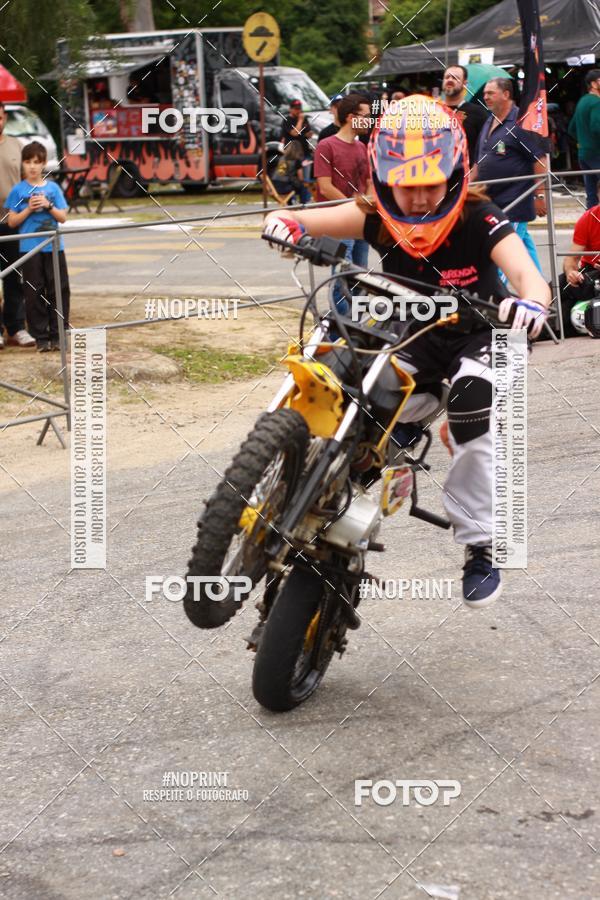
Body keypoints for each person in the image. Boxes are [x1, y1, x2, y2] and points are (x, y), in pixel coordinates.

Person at [263, 95, 551, 607]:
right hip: (415, 337)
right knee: (351, 387)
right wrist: (286, 223)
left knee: (471, 411)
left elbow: (528, 274)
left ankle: (481, 545)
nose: (417, 198)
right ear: (385, 179)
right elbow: (310, 218)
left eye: (429, 185)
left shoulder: (478, 217)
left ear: (455, 175)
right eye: (406, 186)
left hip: (486, 334)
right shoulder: (375, 216)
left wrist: (531, 303)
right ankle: (319, 484)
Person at [473, 77, 546, 276]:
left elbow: (539, 159)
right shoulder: (490, 120)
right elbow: (479, 162)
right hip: (493, 201)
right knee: (524, 249)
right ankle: (541, 295)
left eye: (490, 93)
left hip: (514, 202)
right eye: (485, 93)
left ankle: (496, 300)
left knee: (505, 255)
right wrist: (466, 189)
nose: (485, 97)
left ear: (506, 95)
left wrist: (539, 194)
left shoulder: (521, 123)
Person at [6, 142, 70, 352]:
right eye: (28, 162)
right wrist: (28, 210)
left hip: (53, 248)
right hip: (29, 249)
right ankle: (40, 337)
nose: (32, 167)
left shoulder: (53, 188)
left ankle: (58, 334)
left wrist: (48, 205)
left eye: (37, 162)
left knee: (58, 290)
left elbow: (63, 217)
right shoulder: (18, 190)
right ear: (22, 164)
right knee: (34, 293)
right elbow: (12, 222)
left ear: (43, 164)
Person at [313, 93, 371, 314]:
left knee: (360, 277)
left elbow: (368, 182)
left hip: (359, 220)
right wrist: (355, 205)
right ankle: (340, 328)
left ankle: (355, 330)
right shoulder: (326, 146)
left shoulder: (361, 148)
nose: (369, 121)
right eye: (365, 116)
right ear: (350, 117)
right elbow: (325, 187)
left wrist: (368, 204)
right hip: (338, 221)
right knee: (342, 277)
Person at [0, 100, 35, 350]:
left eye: (0, 117)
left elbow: (29, 178)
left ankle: (17, 327)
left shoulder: (16, 145)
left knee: (15, 275)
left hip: (12, 219)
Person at [559, 204, 600, 335]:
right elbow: (571, 259)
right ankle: (504, 339)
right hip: (590, 271)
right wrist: (571, 272)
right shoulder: (589, 217)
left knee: (564, 320)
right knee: (553, 287)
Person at [441, 65, 488, 165]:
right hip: (437, 174)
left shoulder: (478, 113)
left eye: (455, 78)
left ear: (464, 83)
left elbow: (485, 149)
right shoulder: (434, 111)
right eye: (447, 77)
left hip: (466, 175)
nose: (450, 80)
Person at [568, 69, 600, 209]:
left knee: (591, 194)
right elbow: (596, 127)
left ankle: (592, 224)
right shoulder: (596, 102)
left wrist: (584, 141)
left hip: (584, 154)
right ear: (593, 84)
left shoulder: (583, 101)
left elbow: (571, 129)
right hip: (597, 153)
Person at [271, 140, 311, 204]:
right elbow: (301, 177)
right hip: (285, 187)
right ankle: (303, 204)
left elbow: (282, 171)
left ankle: (290, 204)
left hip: (275, 186)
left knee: (294, 184)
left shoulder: (282, 158)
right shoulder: (297, 160)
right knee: (304, 186)